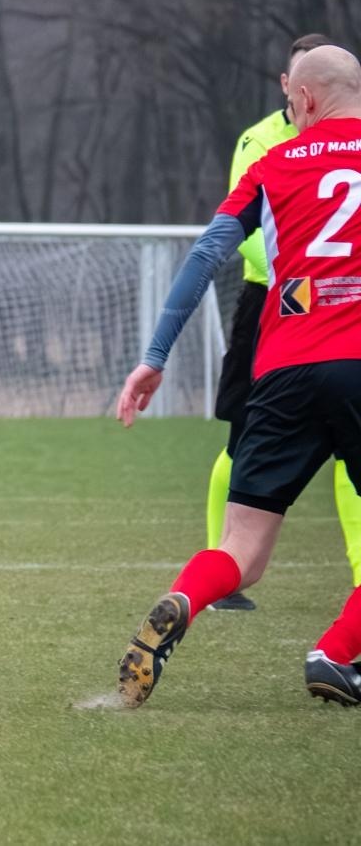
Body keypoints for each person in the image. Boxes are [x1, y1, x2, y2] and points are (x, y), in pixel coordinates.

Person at [115, 44, 361, 708]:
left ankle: (184, 599)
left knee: (243, 549)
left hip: (282, 368)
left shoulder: (274, 161)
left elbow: (206, 258)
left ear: (304, 98)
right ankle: (335, 652)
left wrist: (155, 357)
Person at [204, 32, 361, 610]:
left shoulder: (312, 139)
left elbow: (210, 244)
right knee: (236, 442)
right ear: (286, 86)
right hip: (273, 300)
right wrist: (294, 275)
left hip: (314, 327)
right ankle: (220, 561)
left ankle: (218, 573)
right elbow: (244, 234)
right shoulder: (261, 141)